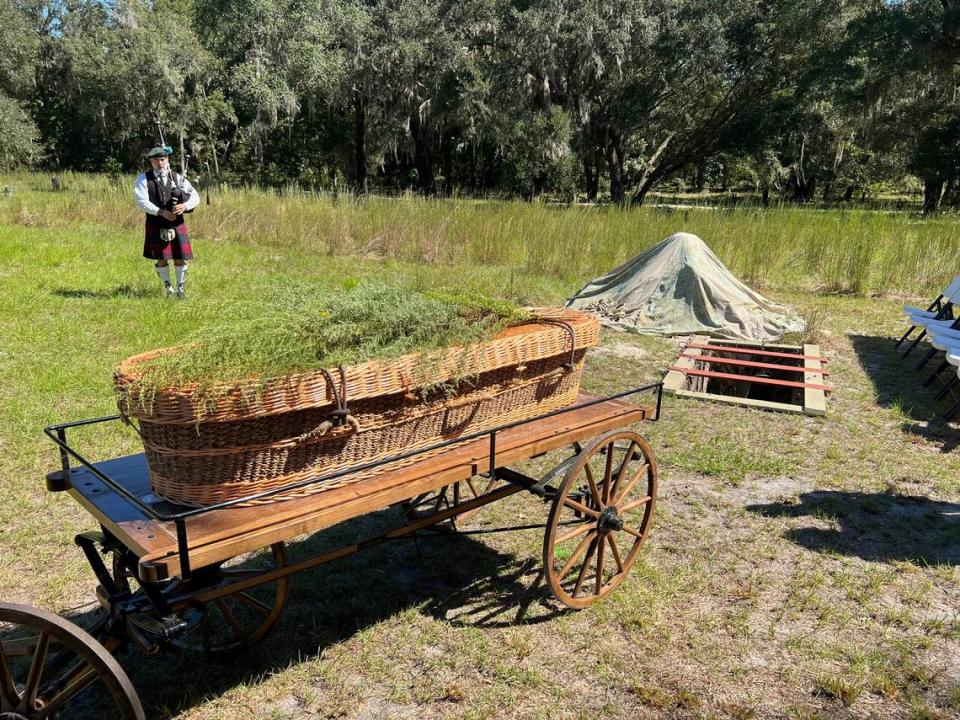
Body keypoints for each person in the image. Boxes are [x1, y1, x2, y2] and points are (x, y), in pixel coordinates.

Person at [134, 145, 200, 298]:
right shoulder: (144, 179)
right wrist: (160, 211)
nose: (160, 163)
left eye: (162, 159)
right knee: (162, 258)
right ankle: (169, 290)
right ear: (151, 162)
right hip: (156, 223)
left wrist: (185, 206)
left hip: (176, 223)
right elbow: (141, 201)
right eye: (156, 160)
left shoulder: (178, 178)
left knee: (179, 257)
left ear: (167, 160)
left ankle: (181, 290)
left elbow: (195, 196)